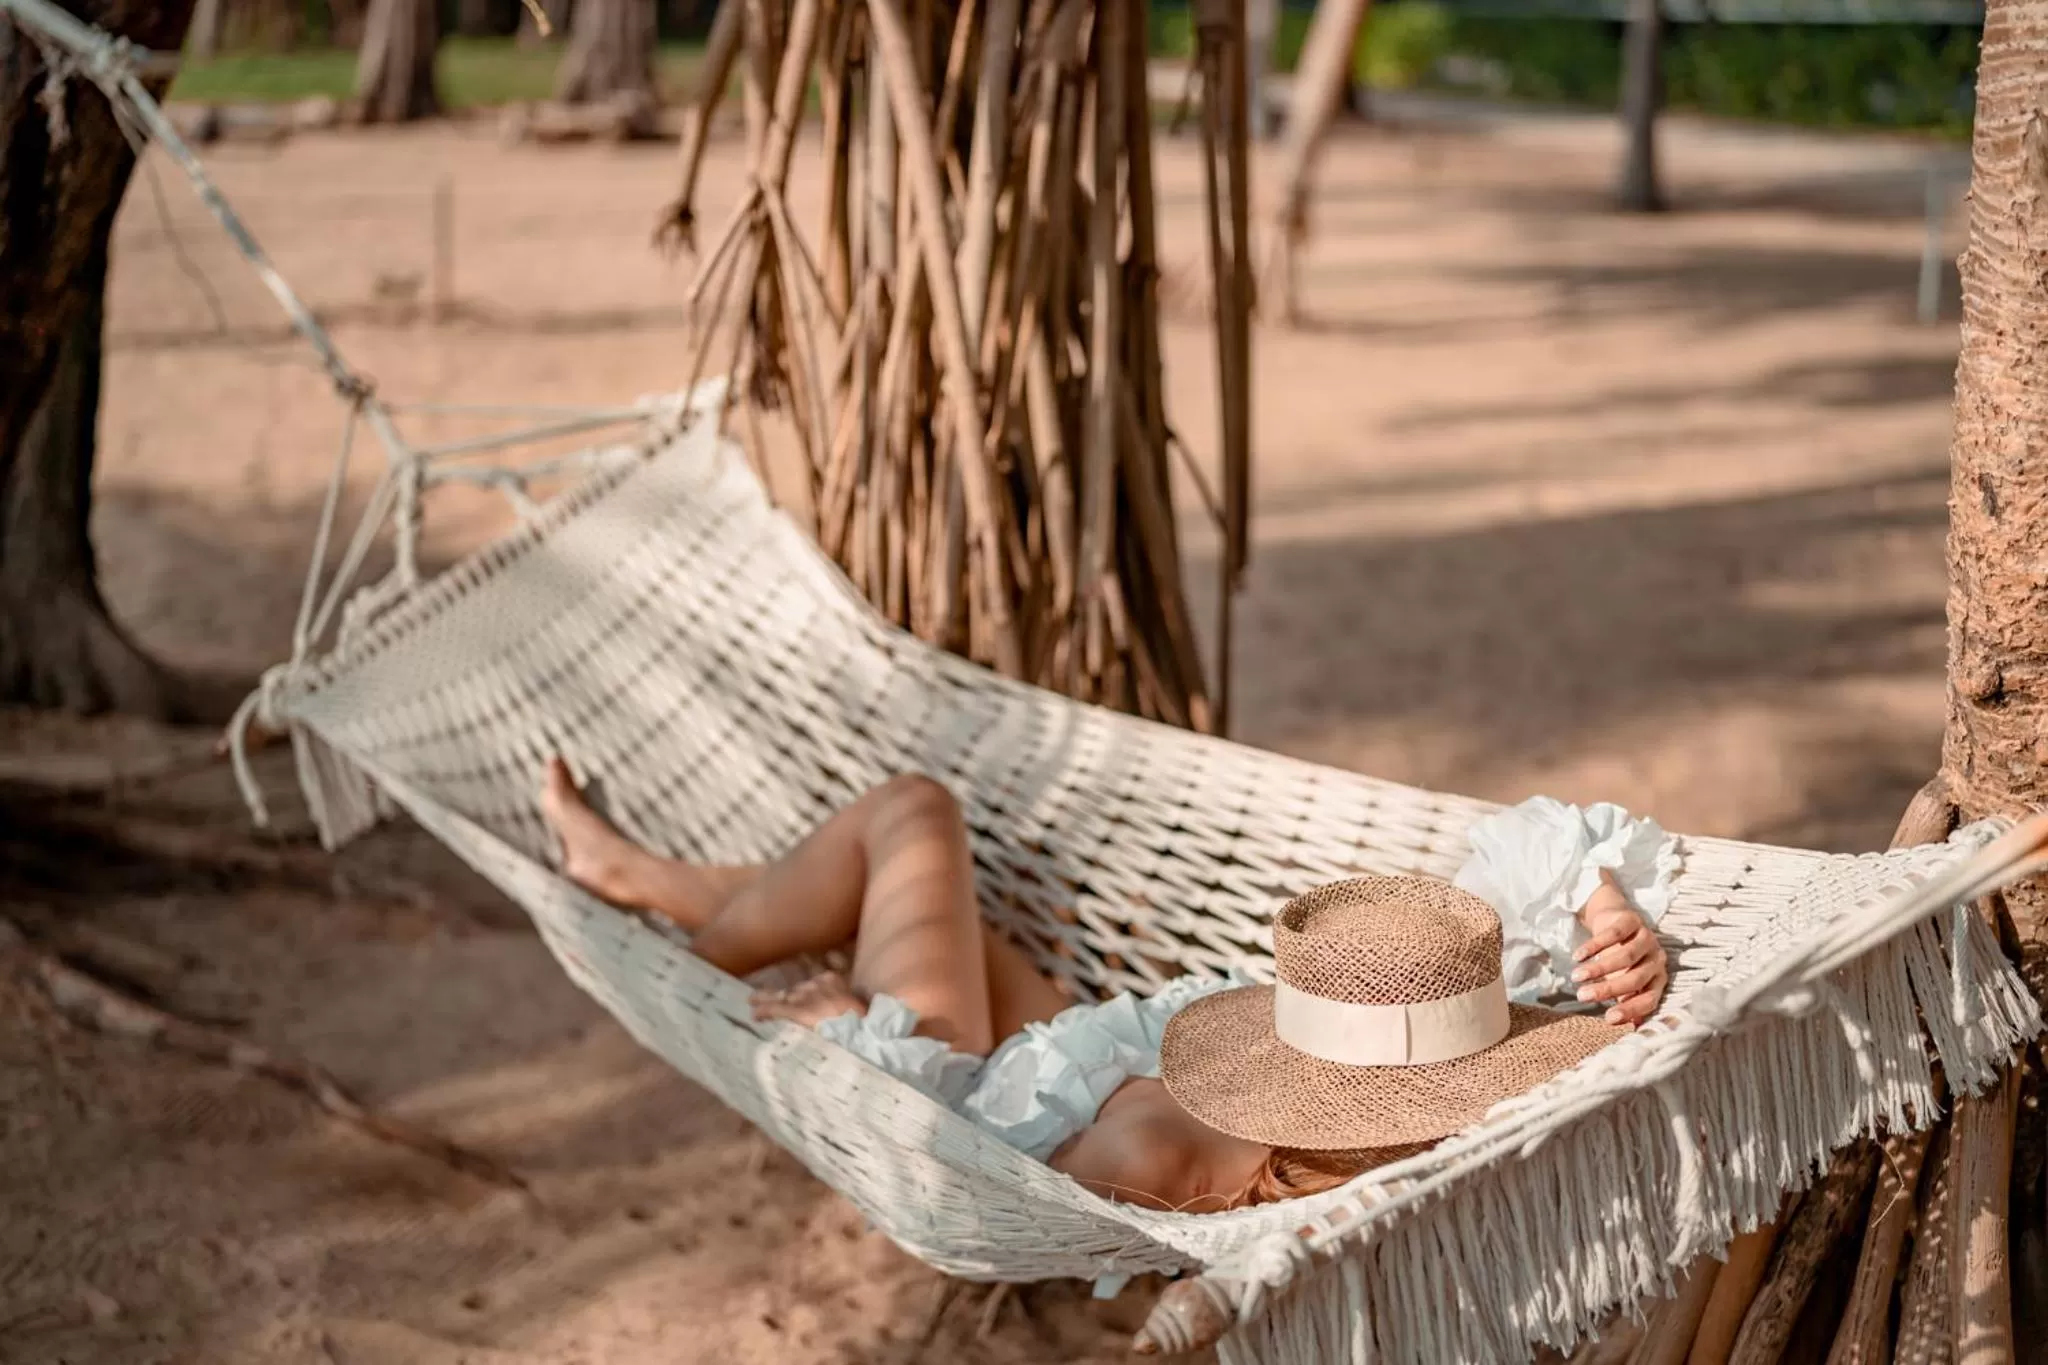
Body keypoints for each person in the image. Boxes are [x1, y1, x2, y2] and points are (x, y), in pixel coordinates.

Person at [540, 762, 1675, 1213]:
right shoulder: (1431, 1042)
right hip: (1098, 1045)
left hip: (977, 1080)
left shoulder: (1161, 1165)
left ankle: (675, 960)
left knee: (912, 814)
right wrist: (1604, 912)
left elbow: (965, 1161)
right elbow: (1533, 851)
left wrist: (854, 1035)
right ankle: (657, 882)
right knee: (903, 876)